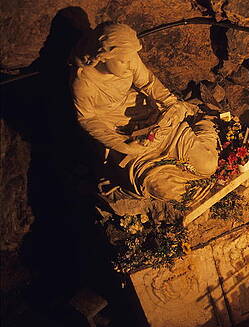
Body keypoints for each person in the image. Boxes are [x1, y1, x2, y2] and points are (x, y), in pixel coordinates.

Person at [71, 22, 218, 202]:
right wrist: (125, 146)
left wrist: (171, 103)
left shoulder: (128, 58)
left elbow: (148, 83)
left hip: (153, 121)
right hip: (125, 136)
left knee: (208, 164)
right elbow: (87, 119)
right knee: (165, 190)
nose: (129, 64)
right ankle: (178, 179)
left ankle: (201, 132)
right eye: (123, 61)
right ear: (104, 56)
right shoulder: (84, 82)